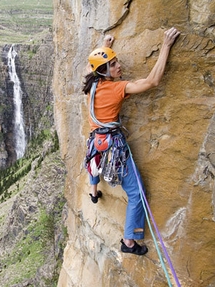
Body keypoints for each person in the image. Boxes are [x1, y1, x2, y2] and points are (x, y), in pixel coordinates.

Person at [83, 28, 180, 255]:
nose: (119, 66)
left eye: (116, 62)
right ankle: (128, 242)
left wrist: (105, 46)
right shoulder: (118, 88)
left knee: (92, 158)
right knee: (136, 192)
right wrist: (165, 45)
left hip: (96, 141)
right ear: (105, 71)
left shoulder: (90, 83)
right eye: (114, 65)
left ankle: (93, 191)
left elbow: (91, 65)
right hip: (111, 144)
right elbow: (153, 81)